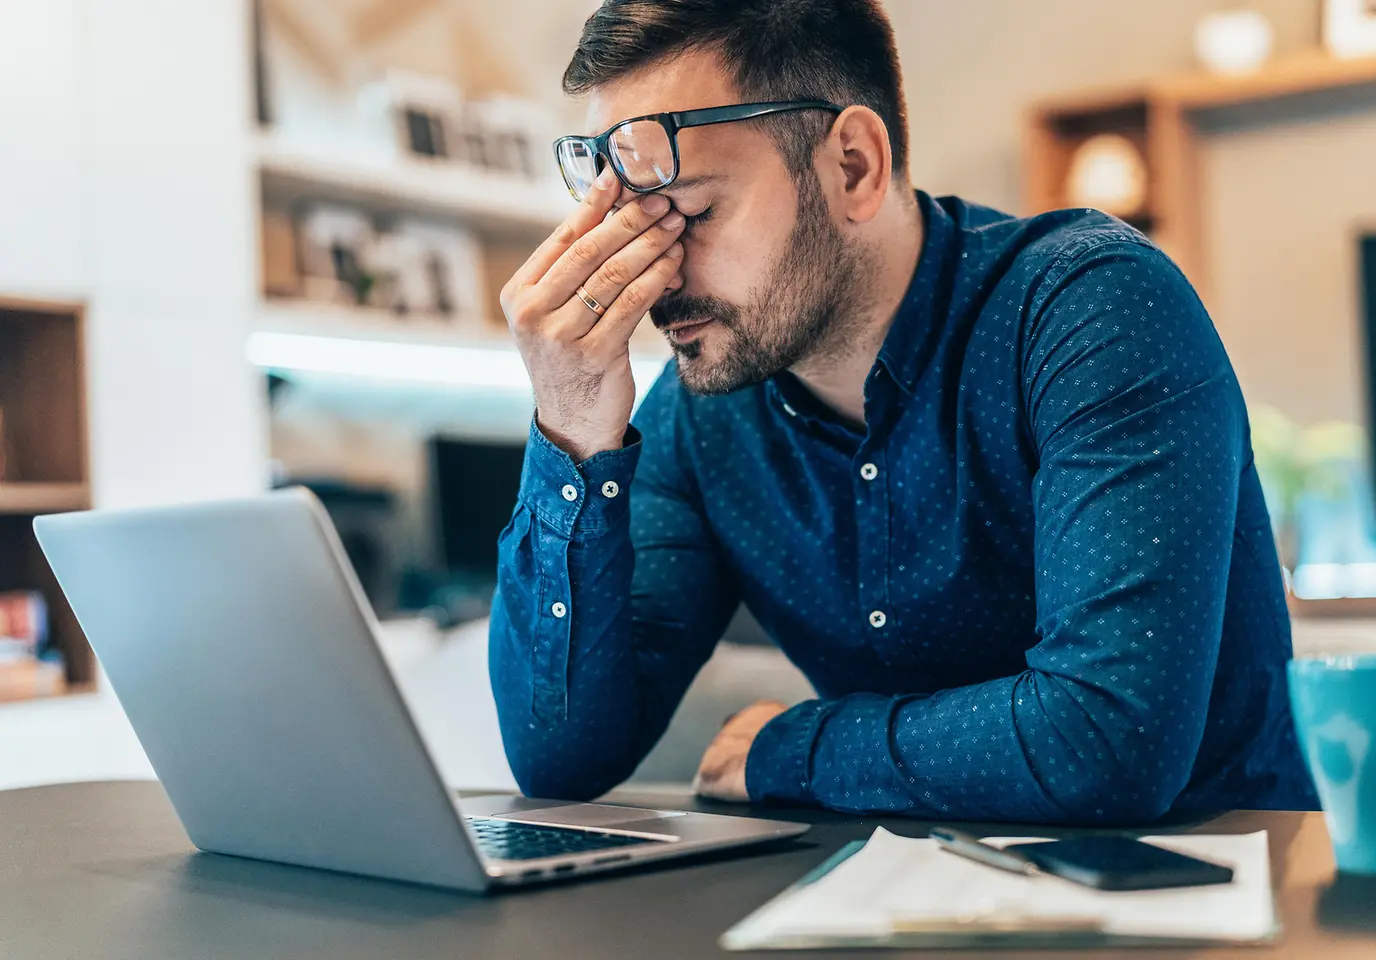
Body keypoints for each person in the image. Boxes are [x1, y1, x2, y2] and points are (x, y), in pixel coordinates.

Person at [489, 0, 1318, 824]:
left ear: (853, 165)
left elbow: (1104, 743)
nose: (660, 277)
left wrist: (798, 746)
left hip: (1208, 906)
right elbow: (561, 759)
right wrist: (571, 426)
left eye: (696, 213)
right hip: (897, 911)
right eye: (633, 225)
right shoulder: (705, 415)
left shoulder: (1094, 311)